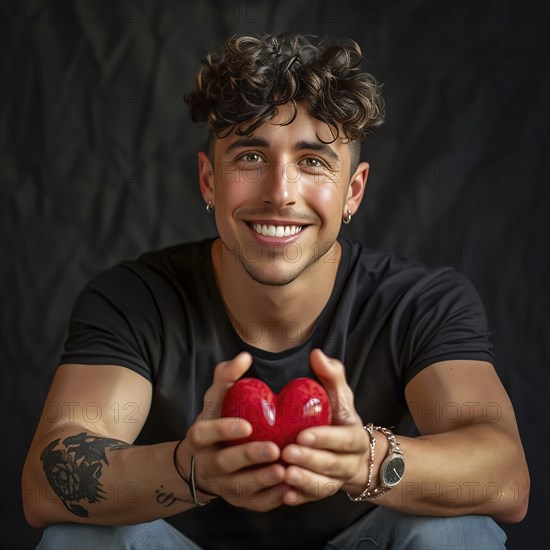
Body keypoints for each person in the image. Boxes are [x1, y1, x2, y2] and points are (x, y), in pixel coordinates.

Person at [22, 33, 529, 549]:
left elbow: (506, 477)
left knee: (457, 530)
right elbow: (46, 483)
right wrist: (189, 469)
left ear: (353, 190)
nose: (280, 193)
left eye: (313, 161)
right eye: (249, 157)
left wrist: (367, 461)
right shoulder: (132, 298)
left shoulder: (423, 302)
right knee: (81, 537)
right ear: (209, 180)